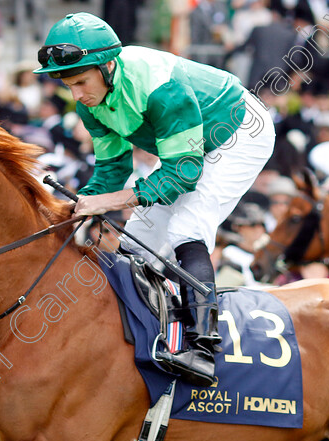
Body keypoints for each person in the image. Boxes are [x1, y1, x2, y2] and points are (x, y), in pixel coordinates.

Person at [34, 12, 275, 386]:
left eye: (81, 81)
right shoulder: (91, 104)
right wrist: (76, 207)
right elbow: (111, 170)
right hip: (188, 151)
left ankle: (203, 347)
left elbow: (184, 172)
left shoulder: (160, 85)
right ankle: (141, 334)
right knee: (138, 240)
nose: (77, 96)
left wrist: (115, 201)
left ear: (108, 66)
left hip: (239, 133)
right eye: (69, 85)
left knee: (187, 226)